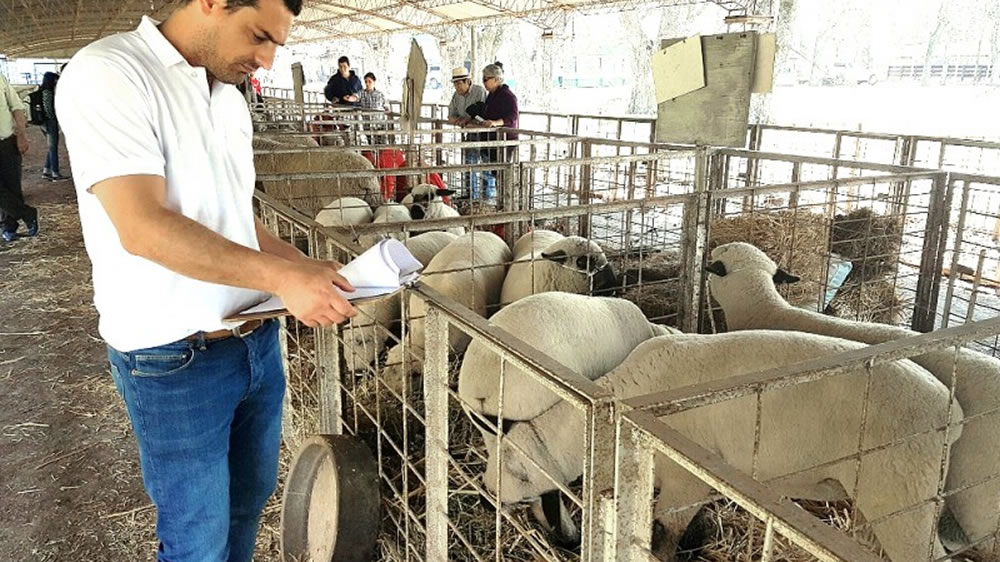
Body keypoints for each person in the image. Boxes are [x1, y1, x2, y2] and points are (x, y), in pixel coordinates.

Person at [56, 0, 357, 560]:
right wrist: (282, 279)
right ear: (212, 3)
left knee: (247, 505)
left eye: (276, 45)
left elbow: (236, 217)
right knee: (198, 537)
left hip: (254, 343)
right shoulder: (110, 73)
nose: (266, 60)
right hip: (175, 358)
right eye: (259, 36)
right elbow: (143, 226)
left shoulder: (228, 97)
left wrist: (304, 267)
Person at [0, 72, 38, 243]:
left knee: (12, 187)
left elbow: (16, 106)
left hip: (6, 142)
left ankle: (9, 226)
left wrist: (22, 135)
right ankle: (27, 214)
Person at [474, 62, 519, 201]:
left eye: (485, 79)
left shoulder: (507, 95)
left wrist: (496, 122)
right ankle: (502, 203)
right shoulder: (492, 95)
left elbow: (513, 116)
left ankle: (509, 202)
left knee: (503, 173)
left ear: (496, 79)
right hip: (492, 139)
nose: (484, 83)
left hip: (505, 140)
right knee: (496, 172)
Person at [447, 67, 487, 199]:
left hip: (484, 134)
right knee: (469, 164)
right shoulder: (456, 96)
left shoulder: (479, 91)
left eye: (459, 83)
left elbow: (480, 114)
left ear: (467, 81)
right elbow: (451, 116)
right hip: (469, 134)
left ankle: (487, 196)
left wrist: (466, 120)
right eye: (455, 84)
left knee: (487, 165)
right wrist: (461, 120)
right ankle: (471, 196)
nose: (457, 87)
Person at [40, 72, 69, 181]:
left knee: (51, 147)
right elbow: (49, 111)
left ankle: (46, 171)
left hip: (44, 123)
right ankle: (55, 174)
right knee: (53, 148)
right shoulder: (48, 92)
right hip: (50, 122)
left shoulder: (42, 91)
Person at [357, 71, 388, 145]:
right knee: (370, 144)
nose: (367, 84)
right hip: (368, 124)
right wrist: (350, 98)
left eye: (369, 81)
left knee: (381, 144)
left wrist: (387, 110)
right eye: (366, 82)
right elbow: (355, 97)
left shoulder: (380, 94)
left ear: (374, 82)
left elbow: (386, 106)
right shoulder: (361, 93)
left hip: (379, 124)